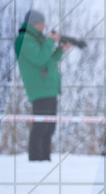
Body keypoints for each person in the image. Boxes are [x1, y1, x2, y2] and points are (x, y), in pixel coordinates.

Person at [14, 10, 72, 161]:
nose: (44, 26)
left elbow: (48, 63)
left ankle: (45, 159)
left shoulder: (38, 40)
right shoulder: (23, 40)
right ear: (34, 23)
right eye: (42, 23)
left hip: (50, 88)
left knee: (50, 128)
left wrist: (60, 50)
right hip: (39, 89)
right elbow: (40, 59)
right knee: (41, 127)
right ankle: (35, 159)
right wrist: (51, 41)